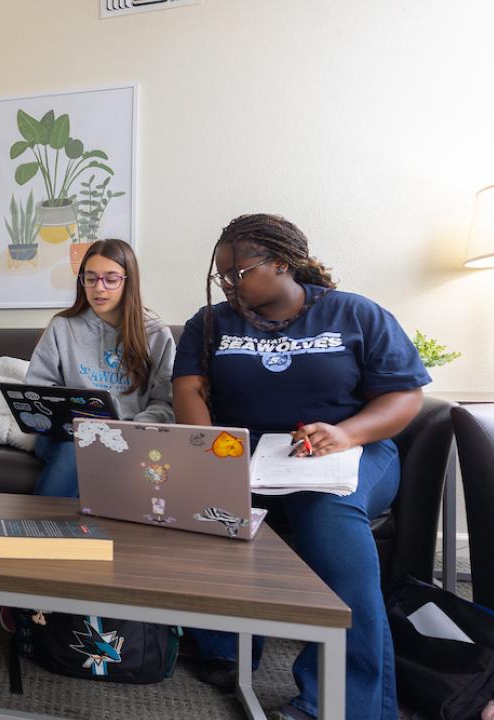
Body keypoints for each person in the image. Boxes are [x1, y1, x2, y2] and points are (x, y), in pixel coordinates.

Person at [172, 213, 428, 720]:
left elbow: (404, 396)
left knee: (328, 514)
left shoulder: (355, 313)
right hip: (247, 454)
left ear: (282, 263)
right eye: (222, 275)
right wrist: (212, 454)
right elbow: (190, 390)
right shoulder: (211, 322)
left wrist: (346, 433)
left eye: (239, 272)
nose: (228, 284)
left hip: (345, 452)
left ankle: (342, 701)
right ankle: (226, 645)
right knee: (207, 503)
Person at [25, 238, 176, 497]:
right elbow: (37, 387)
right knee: (77, 448)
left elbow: (165, 401)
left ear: (128, 281)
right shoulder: (62, 327)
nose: (99, 288)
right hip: (67, 434)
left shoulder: (156, 334)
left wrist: (133, 430)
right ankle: (43, 523)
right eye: (91, 278)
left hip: (130, 435)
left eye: (110, 279)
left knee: (92, 450)